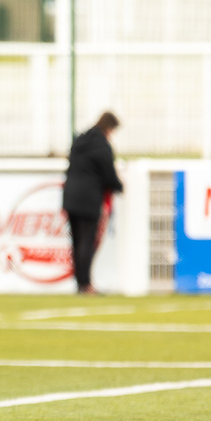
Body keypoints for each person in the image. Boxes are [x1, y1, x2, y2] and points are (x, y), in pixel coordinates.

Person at [62, 111, 124, 295]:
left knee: (76, 242)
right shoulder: (102, 145)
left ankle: (80, 283)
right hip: (88, 198)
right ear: (109, 128)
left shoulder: (79, 140)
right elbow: (108, 173)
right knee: (87, 243)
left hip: (70, 196)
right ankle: (86, 284)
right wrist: (119, 186)